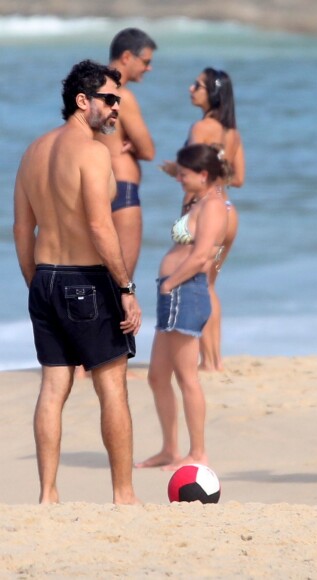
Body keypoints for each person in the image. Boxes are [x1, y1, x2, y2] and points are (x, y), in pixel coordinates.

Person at [13, 59, 142, 504]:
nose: (114, 111)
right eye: (108, 101)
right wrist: (125, 289)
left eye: (119, 103)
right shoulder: (92, 152)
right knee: (112, 386)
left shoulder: (32, 151)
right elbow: (99, 225)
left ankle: (48, 494)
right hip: (86, 280)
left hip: (44, 278)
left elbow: (20, 229)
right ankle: (123, 495)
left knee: (53, 387)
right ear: (82, 100)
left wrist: (36, 283)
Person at [135, 144, 228, 470]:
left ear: (203, 175)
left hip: (184, 292)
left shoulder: (214, 206)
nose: (179, 178)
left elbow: (202, 255)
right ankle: (169, 449)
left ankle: (198, 453)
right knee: (158, 376)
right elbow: (185, 175)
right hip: (172, 292)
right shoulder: (197, 199)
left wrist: (172, 283)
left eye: (185, 174)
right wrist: (173, 167)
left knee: (187, 377)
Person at [161, 68, 245, 372]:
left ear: (212, 93)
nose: (190, 88)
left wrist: (175, 170)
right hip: (227, 212)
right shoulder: (232, 132)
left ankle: (208, 361)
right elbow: (239, 178)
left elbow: (191, 172)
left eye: (197, 85)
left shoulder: (200, 128)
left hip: (201, 210)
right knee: (210, 283)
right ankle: (214, 358)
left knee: (200, 283)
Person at [96, 27, 157, 278]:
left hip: (93, 188)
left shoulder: (88, 93)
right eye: (146, 61)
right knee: (122, 282)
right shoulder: (123, 97)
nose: (149, 68)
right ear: (127, 57)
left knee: (93, 276)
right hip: (122, 190)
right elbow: (148, 151)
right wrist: (132, 141)